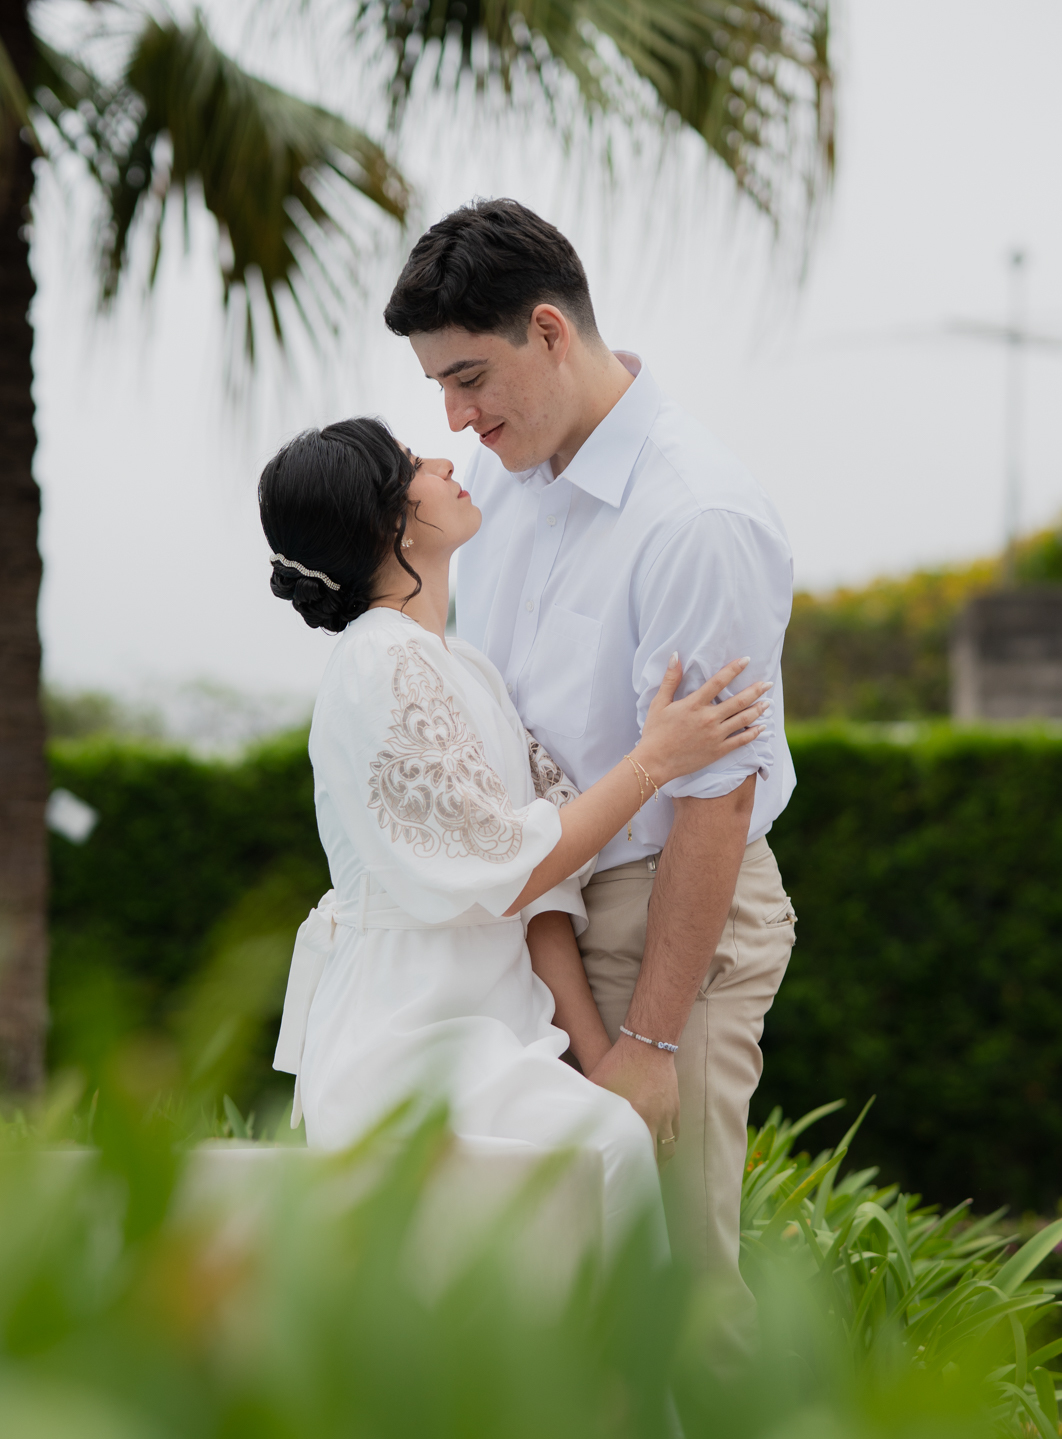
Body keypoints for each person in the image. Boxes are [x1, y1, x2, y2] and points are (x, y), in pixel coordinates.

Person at [384, 199, 798, 1338]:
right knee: (570, 1278)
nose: (457, 417)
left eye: (470, 377)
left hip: (664, 917)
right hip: (544, 921)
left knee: (681, 1280)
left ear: (551, 330)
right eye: (440, 387)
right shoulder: (503, 491)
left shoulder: (698, 516)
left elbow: (717, 793)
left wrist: (652, 1043)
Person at [260, 418, 770, 1252]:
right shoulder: (378, 662)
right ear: (393, 524)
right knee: (573, 1189)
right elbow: (509, 865)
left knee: (605, 1153)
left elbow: (541, 889)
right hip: (410, 1026)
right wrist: (655, 760)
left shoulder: (462, 666)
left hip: (496, 1022)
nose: (443, 459)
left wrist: (602, 1064)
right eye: (413, 465)